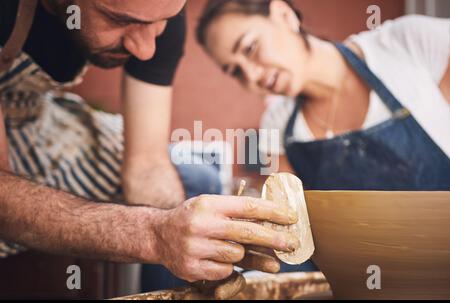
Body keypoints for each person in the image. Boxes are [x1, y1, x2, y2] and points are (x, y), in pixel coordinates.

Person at [0, 0, 300, 285]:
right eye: (119, 19)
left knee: (195, 178)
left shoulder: (158, 9)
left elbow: (147, 165)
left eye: (162, 22)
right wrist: (153, 235)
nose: (145, 50)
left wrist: (184, 233)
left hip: (35, 116)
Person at [196, 0, 450, 271]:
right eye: (236, 71)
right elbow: (293, 232)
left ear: (284, 15)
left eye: (250, 48)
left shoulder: (408, 43)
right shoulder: (277, 123)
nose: (252, 75)